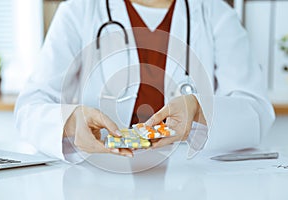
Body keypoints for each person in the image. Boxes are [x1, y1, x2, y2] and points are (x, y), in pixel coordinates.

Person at [14, 0, 275, 162]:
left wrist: (199, 109)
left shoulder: (215, 12)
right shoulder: (78, 10)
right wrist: (70, 122)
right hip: (100, 179)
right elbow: (30, 106)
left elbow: (257, 111)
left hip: (192, 181)